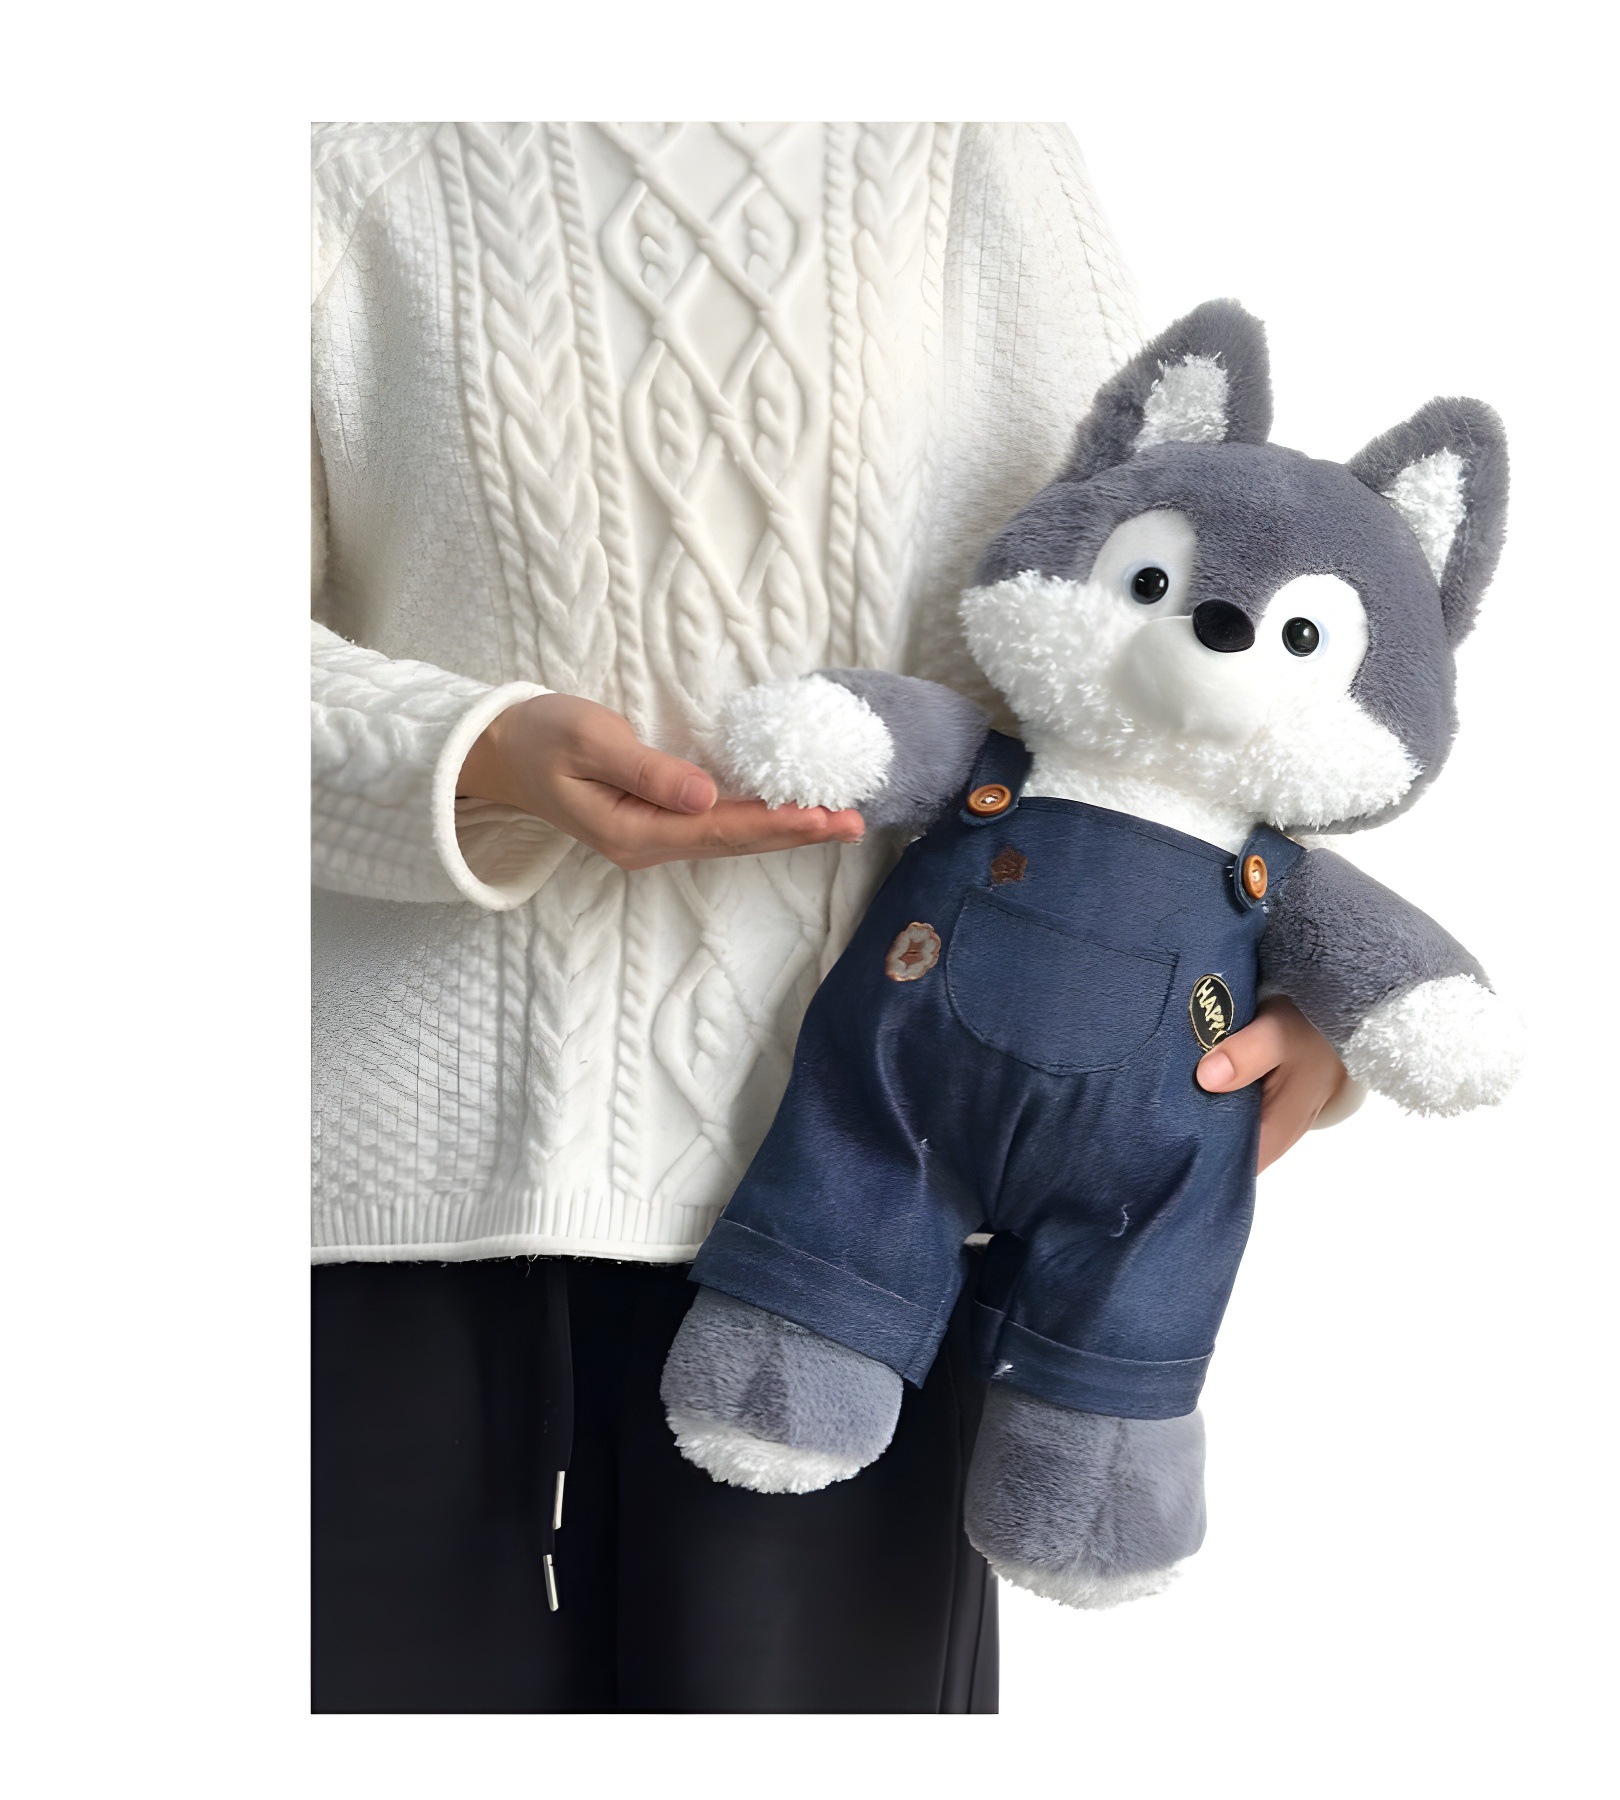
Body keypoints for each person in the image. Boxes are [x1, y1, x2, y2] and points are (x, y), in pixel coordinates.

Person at [311, 120, 1355, 1714]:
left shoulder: (966, 139)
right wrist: (475, 754)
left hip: (875, 1222)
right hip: (395, 1209)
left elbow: (1142, 621)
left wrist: (1289, 971)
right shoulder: (324, 141)